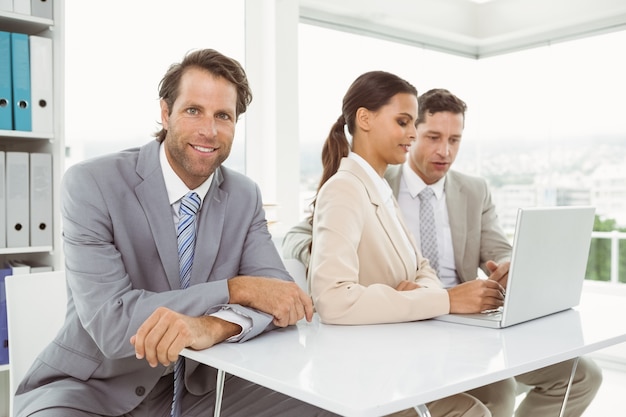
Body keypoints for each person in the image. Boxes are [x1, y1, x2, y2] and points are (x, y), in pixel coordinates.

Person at [13, 48, 340, 417]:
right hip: (93, 390)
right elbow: (113, 324)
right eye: (193, 110)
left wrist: (210, 327)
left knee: (328, 405)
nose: (209, 130)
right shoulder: (91, 184)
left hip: (201, 387)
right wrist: (237, 289)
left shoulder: (243, 195)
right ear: (165, 113)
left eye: (223, 116)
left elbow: (279, 300)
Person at [282, 88, 602, 417]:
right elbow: (300, 236)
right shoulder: (372, 181)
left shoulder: (474, 191)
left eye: (455, 140)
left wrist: (509, 267)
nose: (445, 151)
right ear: (412, 133)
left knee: (585, 374)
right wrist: (337, 260)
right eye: (433, 137)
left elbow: (499, 249)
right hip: (405, 319)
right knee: (499, 392)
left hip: (467, 321)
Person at [305, 70, 509, 417]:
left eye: (413, 123)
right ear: (364, 119)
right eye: (403, 122)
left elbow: (422, 267)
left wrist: (420, 294)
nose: (412, 134)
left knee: (491, 398)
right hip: (369, 371)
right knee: (474, 412)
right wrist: (442, 299)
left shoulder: (380, 188)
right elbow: (332, 299)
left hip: (400, 352)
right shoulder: (345, 189)